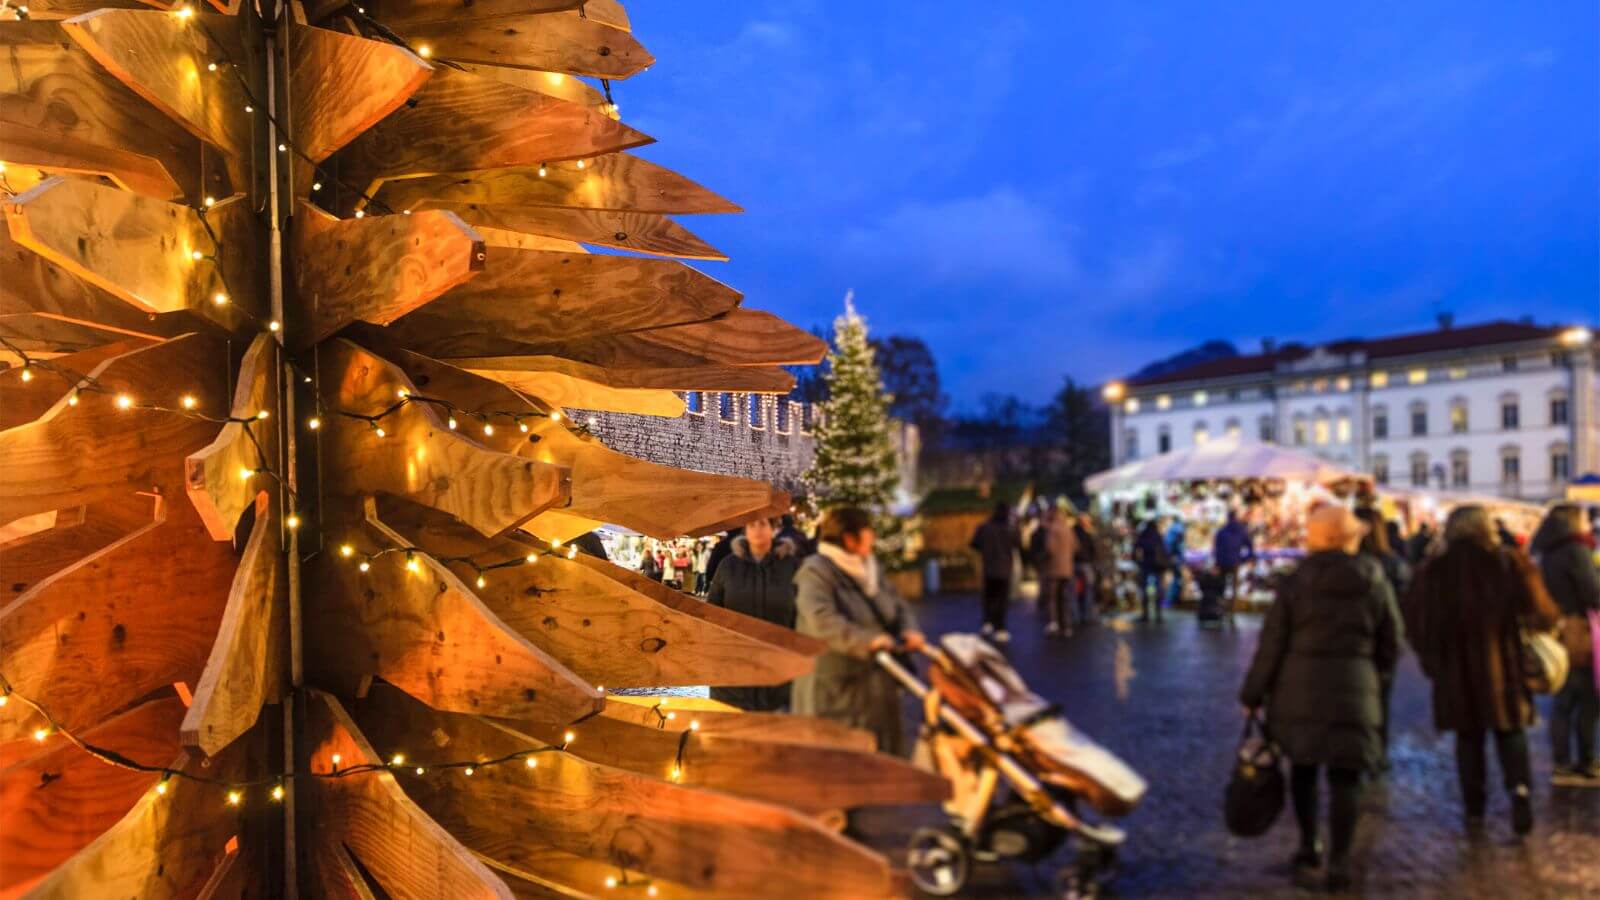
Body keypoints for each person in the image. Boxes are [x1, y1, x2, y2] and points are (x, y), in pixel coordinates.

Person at [1240, 505, 1402, 891]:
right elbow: (1392, 640)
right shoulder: (1372, 579)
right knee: (1347, 777)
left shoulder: (1296, 582)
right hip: (1354, 690)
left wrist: (1253, 693)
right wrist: (1374, 676)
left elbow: (1272, 644)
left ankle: (1308, 845)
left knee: (1304, 770)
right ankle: (1340, 860)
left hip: (1299, 691)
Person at [1403, 505, 1561, 836]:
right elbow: (1543, 612)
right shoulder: (1508, 562)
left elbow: (1415, 622)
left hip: (1455, 669)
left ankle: (1474, 808)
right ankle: (1519, 791)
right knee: (1510, 729)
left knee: (1468, 737)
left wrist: (1433, 660)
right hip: (1504, 665)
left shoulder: (1434, 571)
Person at [792, 506, 926, 755]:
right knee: (843, 759)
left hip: (875, 684)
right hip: (835, 688)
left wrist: (909, 629)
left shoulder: (870, 568)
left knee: (881, 755)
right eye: (867, 532)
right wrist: (868, 640)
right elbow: (821, 619)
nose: (872, 538)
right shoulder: (816, 571)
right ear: (849, 538)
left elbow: (897, 604)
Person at [1530, 504, 1600, 785]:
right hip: (1580, 632)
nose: (1588, 522)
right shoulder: (1575, 550)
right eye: (1583, 518)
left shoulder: (1548, 551)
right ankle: (1586, 762)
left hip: (1559, 630)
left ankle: (1562, 763)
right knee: (1589, 699)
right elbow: (1593, 592)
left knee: (1564, 701)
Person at [707, 517, 803, 711]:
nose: (757, 529)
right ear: (745, 529)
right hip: (733, 671)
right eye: (752, 524)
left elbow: (802, 615)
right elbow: (711, 613)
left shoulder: (792, 567)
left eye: (763, 524)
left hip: (779, 671)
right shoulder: (728, 566)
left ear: (773, 528)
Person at [1355, 506, 1410, 771]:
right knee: (1381, 700)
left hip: (1354, 643)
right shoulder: (1393, 563)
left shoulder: (1349, 562)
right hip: (1383, 641)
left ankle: (1357, 752)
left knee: (1353, 700)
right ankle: (1377, 752)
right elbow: (1404, 602)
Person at [969, 503, 1019, 641]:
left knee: (989, 597)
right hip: (1004, 568)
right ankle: (1000, 627)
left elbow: (974, 544)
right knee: (1002, 599)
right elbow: (1017, 544)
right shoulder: (1009, 529)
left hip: (989, 567)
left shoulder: (984, 527)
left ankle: (987, 622)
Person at [1213, 509, 1255, 613]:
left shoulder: (1222, 531)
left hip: (1222, 562)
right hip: (1235, 562)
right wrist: (1246, 558)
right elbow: (1250, 545)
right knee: (1234, 588)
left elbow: (1216, 548)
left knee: (1221, 586)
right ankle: (1232, 610)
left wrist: (1217, 562)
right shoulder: (1241, 531)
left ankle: (1221, 608)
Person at [1132, 518, 1171, 623]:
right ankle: (1158, 614)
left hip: (1146, 565)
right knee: (1158, 589)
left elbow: (1136, 548)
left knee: (1145, 589)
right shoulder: (1158, 536)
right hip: (1157, 566)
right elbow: (1165, 550)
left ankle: (1145, 614)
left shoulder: (1144, 535)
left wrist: (1137, 561)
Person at [1073, 513, 1099, 627]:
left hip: (1076, 564)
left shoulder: (1073, 532)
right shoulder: (1086, 534)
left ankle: (1078, 615)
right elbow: (1093, 550)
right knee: (1088, 590)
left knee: (1078, 591)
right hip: (1084, 564)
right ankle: (1086, 615)